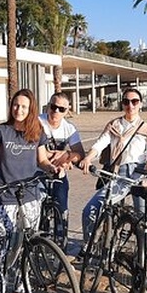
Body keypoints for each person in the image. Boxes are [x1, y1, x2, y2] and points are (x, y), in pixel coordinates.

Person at [0, 89, 58, 293]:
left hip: (30, 197)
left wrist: (52, 169)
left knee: (26, 249)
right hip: (5, 197)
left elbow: (42, 160)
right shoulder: (0, 131)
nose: (19, 110)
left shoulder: (37, 133)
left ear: (31, 109)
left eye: (24, 106)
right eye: (16, 105)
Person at [80, 88, 147, 255]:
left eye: (134, 101)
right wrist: (88, 158)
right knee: (91, 210)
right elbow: (100, 144)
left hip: (140, 173)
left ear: (140, 104)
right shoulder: (114, 125)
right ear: (122, 104)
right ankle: (90, 246)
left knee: (143, 218)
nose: (130, 105)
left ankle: (144, 257)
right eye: (126, 101)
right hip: (118, 173)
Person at [38, 92, 85, 246]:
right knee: (37, 211)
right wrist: (54, 155)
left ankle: (61, 246)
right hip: (37, 173)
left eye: (61, 109)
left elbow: (80, 154)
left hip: (58, 173)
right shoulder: (37, 122)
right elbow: (32, 151)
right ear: (48, 106)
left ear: (67, 110)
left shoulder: (69, 128)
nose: (56, 111)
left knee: (62, 209)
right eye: (53, 107)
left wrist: (67, 155)